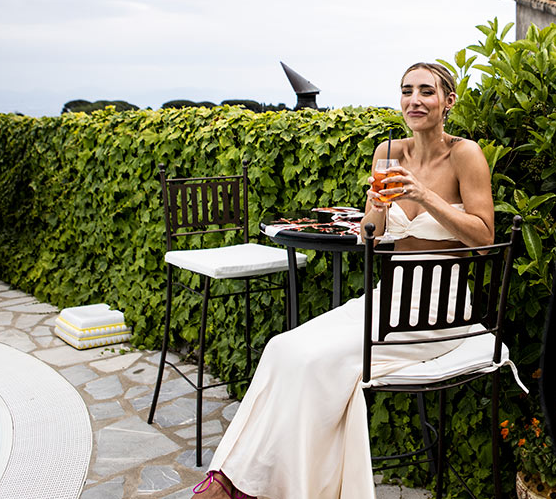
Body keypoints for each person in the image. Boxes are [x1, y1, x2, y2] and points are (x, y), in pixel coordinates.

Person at [194, 61, 495, 499]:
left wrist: (424, 195)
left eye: (427, 91)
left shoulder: (465, 154)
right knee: (283, 347)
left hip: (438, 311)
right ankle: (239, 480)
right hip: (388, 298)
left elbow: (485, 238)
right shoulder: (387, 152)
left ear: (448, 101)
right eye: (407, 90)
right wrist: (375, 206)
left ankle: (245, 489)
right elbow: (371, 236)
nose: (415, 100)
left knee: (317, 364)